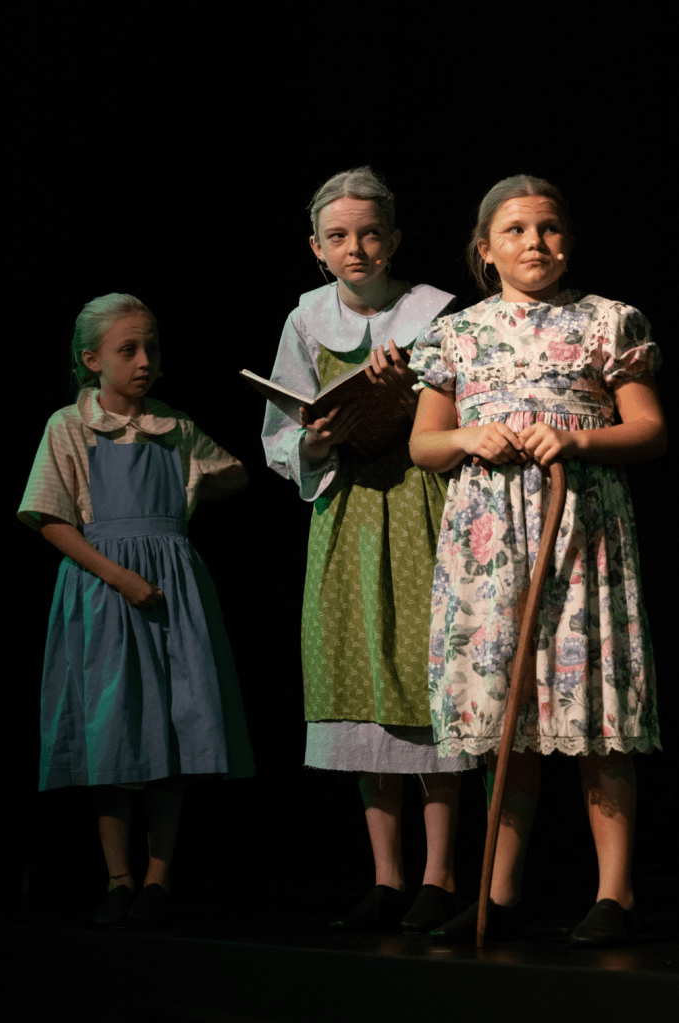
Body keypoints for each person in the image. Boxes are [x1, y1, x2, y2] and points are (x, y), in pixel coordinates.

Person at [409, 175, 666, 946]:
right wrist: (466, 437)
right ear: (485, 250)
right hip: (490, 541)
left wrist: (577, 437)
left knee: (596, 707)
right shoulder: (457, 333)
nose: (535, 242)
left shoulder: (608, 320)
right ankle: (501, 892)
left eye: (549, 228)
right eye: (516, 230)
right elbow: (424, 444)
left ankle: (615, 893)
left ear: (569, 242)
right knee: (508, 710)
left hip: (581, 531)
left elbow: (649, 429)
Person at [262, 167, 479, 934]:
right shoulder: (305, 320)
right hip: (348, 509)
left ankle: (438, 875)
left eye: (369, 233)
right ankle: (387, 876)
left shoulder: (436, 313)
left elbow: (469, 404)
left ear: (394, 239)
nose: (355, 248)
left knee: (428, 680)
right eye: (338, 236)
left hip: (422, 505)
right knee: (361, 682)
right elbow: (279, 431)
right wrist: (314, 439)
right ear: (316, 248)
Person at [18, 293, 255, 926]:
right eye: (128, 350)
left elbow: (235, 474)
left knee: (173, 730)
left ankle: (158, 878)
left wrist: (189, 493)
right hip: (104, 590)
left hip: (173, 590)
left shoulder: (172, 425)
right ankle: (118, 877)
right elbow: (48, 516)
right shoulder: (70, 426)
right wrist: (120, 575)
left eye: (151, 347)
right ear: (92, 360)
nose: (145, 360)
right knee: (113, 730)